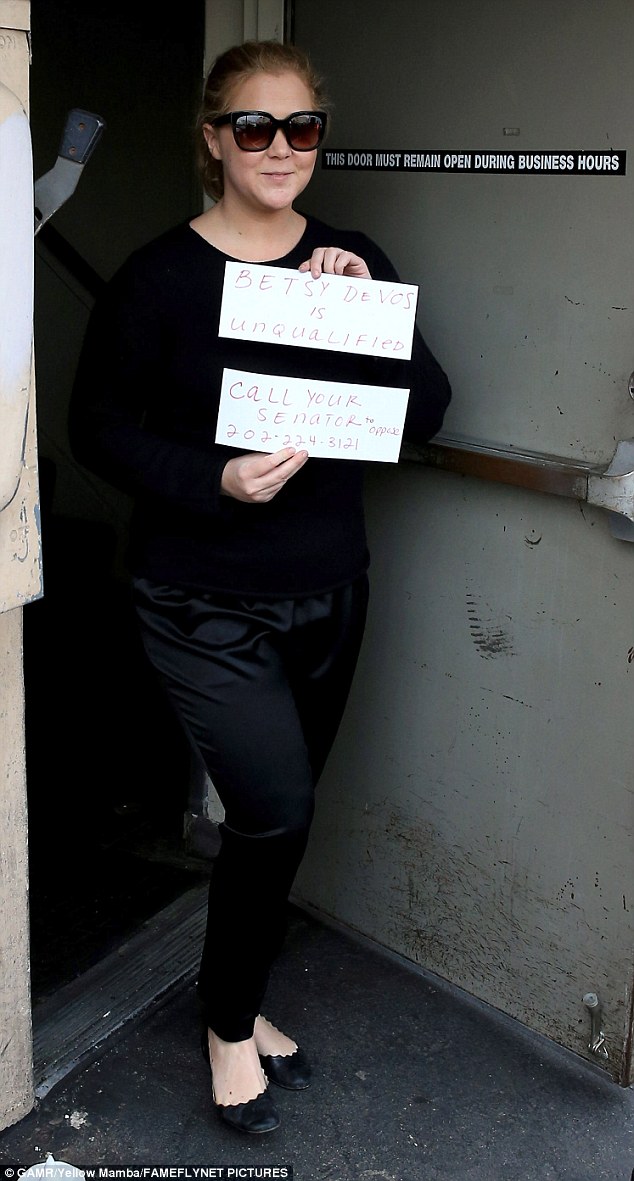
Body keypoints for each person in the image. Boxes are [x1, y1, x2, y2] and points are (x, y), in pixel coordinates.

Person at [68, 39, 452, 1135]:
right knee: (274, 808)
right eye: (254, 126)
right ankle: (228, 1022)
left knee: (277, 820)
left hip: (329, 585)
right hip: (200, 596)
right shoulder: (159, 278)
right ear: (212, 138)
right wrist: (218, 477)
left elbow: (423, 409)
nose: (280, 148)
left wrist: (371, 306)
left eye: (301, 128)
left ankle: (231, 990)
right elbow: (96, 428)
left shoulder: (349, 256)